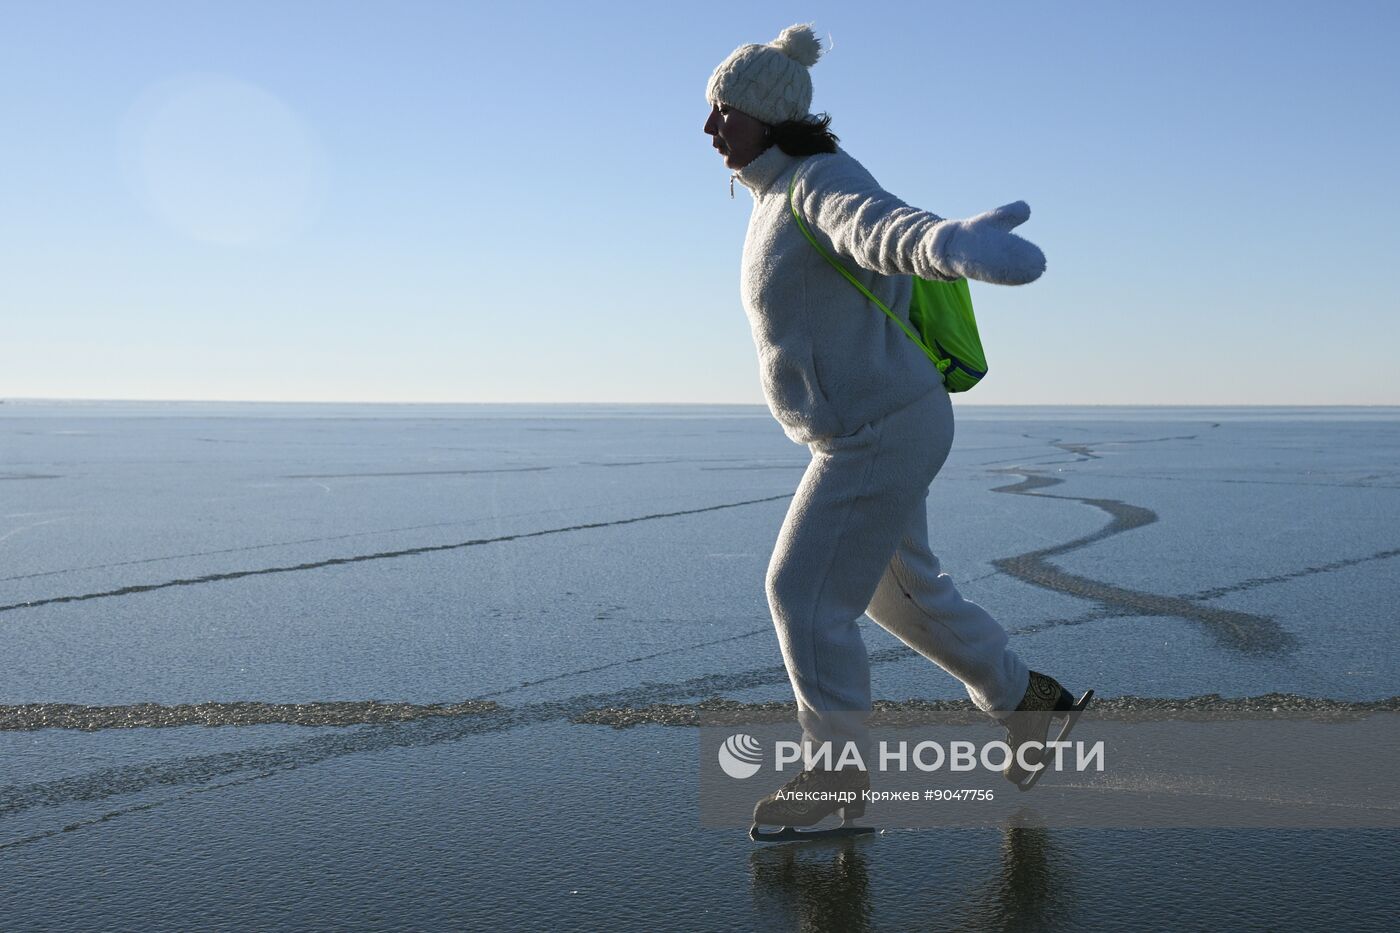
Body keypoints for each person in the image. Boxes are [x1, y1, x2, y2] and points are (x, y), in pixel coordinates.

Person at [703, 24, 1091, 836]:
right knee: (900, 595)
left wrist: (949, 244)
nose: (710, 129)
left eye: (725, 113)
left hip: (880, 426)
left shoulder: (819, 180)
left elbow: (880, 226)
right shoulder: (772, 197)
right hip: (873, 426)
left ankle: (837, 782)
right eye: (710, 111)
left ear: (770, 116)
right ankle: (1028, 703)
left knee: (801, 594)